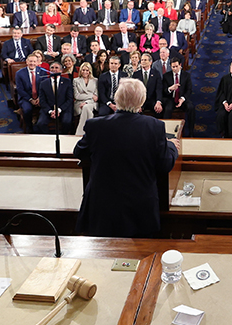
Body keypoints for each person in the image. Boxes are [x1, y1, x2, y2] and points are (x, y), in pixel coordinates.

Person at [74, 78, 179, 238]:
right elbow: (165, 164)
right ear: (142, 101)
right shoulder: (154, 127)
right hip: (139, 207)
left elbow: (79, 152)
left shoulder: (96, 126)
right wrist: (170, 145)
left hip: (102, 205)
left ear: (117, 99)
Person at [73, 61, 98, 135]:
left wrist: (86, 101)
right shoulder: (76, 81)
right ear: (80, 70)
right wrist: (91, 95)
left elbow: (96, 97)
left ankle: (80, 132)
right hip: (79, 103)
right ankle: (90, 131)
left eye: (87, 70)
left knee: (86, 107)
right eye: (83, 70)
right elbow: (77, 96)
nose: (85, 72)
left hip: (92, 103)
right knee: (86, 107)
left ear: (90, 71)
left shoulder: (95, 80)